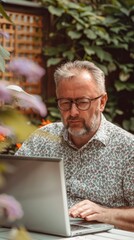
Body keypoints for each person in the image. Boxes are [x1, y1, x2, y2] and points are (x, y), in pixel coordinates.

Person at [16, 60, 134, 231]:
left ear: (102, 102)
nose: (73, 112)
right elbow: (10, 188)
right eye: (65, 103)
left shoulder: (128, 149)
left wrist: (105, 214)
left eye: (82, 102)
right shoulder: (42, 139)